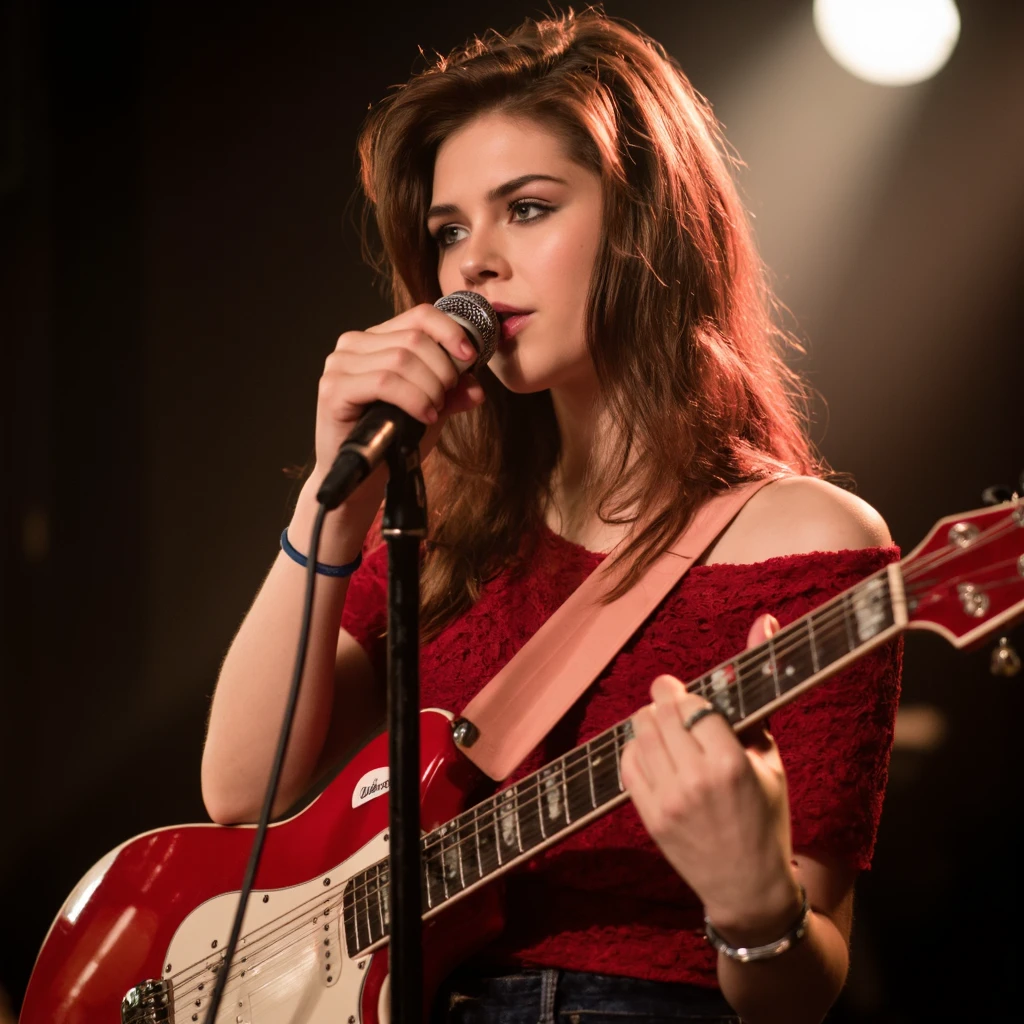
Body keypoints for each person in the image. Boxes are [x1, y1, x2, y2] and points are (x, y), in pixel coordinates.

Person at [201, 9, 901, 1024]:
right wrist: (329, 501)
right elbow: (242, 790)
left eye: (525, 209)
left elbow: (799, 987)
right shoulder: (433, 518)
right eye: (449, 231)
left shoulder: (812, 543)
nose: (471, 264)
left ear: (641, 220)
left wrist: (753, 901)